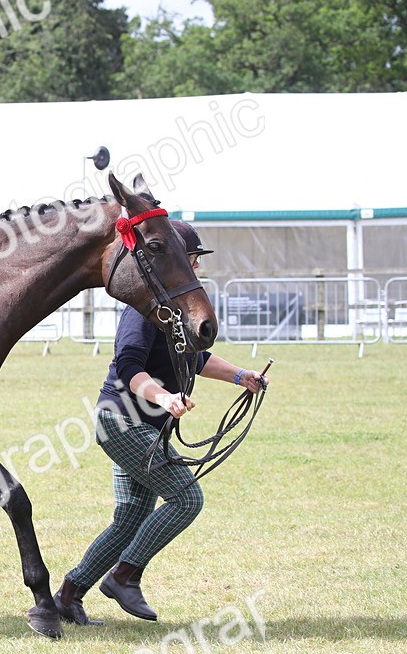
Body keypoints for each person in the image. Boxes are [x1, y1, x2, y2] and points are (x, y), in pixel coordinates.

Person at [55, 220, 269, 626]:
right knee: (187, 499)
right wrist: (165, 397)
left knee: (130, 519)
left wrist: (243, 376)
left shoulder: (175, 311)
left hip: (145, 430)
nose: (196, 270)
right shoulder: (142, 312)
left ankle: (68, 596)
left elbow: (198, 359)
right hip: (121, 422)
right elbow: (130, 368)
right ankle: (124, 575)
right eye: (192, 261)